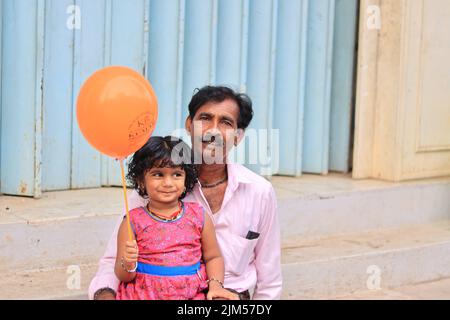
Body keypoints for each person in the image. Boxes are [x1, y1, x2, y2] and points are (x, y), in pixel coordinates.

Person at [89, 86, 282, 300]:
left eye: (226, 122)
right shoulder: (157, 188)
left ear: (238, 136)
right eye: (205, 118)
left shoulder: (259, 192)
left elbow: (270, 278)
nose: (213, 131)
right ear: (189, 125)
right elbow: (114, 260)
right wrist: (105, 295)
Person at [114, 136, 237, 300]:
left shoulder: (199, 216)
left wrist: (215, 285)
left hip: (191, 295)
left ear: (187, 179)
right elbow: (124, 276)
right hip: (144, 294)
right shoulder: (132, 222)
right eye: (158, 174)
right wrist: (128, 263)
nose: (168, 183)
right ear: (141, 181)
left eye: (177, 174)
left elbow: (213, 257)